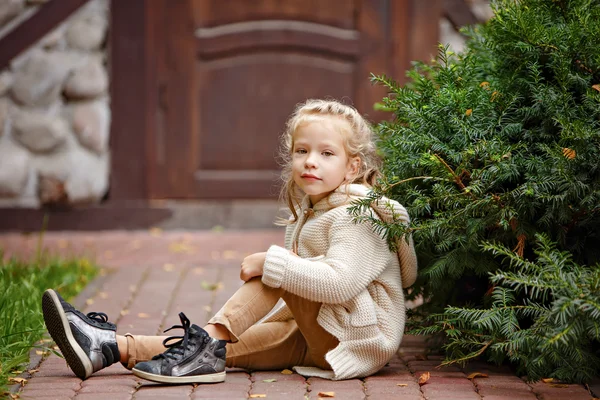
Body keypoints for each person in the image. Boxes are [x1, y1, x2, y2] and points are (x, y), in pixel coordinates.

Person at [42, 98, 418, 384]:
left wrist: (271, 264)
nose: (310, 162)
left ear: (352, 167)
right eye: (302, 151)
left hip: (353, 339)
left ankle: (204, 343)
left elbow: (339, 284)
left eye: (326, 153)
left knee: (273, 269)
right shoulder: (311, 211)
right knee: (226, 348)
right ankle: (106, 348)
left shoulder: (360, 215)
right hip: (314, 331)